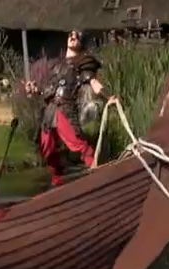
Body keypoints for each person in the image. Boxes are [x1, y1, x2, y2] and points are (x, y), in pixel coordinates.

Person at [25, 30, 118, 187]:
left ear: (82, 42)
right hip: (49, 109)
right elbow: (47, 90)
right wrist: (34, 90)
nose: (73, 37)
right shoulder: (57, 66)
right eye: (71, 35)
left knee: (77, 143)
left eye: (77, 36)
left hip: (65, 108)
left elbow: (93, 82)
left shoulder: (84, 61)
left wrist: (108, 96)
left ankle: (96, 175)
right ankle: (57, 181)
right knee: (46, 148)